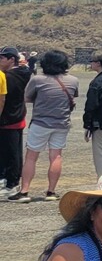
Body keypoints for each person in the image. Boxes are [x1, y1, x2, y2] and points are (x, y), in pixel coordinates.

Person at [12, 50, 79, 203]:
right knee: (56, 156)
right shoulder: (73, 80)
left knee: (31, 157)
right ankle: (51, 191)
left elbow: (27, 98)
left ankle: (24, 191)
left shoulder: (38, 79)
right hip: (62, 123)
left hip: (41, 122)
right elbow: (73, 96)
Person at [1, 47, 32, 196]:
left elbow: (3, 99)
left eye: (2, 58)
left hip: (8, 118)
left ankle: (11, 183)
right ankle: (10, 181)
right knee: (13, 152)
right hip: (18, 117)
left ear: (11, 59)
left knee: (10, 153)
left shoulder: (8, 77)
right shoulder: (23, 73)